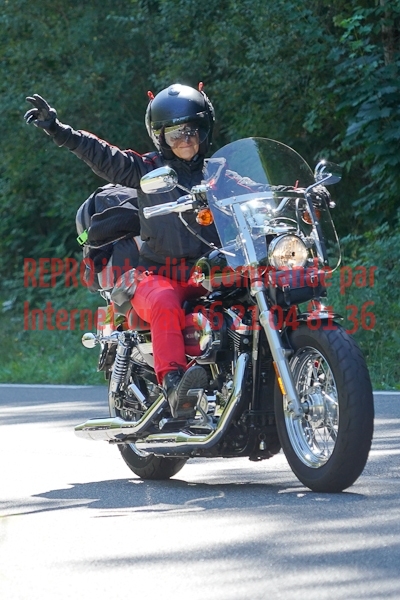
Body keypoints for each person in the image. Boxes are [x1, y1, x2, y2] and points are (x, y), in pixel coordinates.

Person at [24, 84, 219, 419]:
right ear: (160, 138)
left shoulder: (220, 172)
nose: (185, 140)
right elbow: (105, 157)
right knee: (163, 300)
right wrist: (60, 131)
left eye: (192, 131)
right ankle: (175, 385)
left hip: (212, 273)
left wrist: (298, 197)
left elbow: (259, 192)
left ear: (205, 131)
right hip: (159, 275)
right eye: (175, 134)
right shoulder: (147, 170)